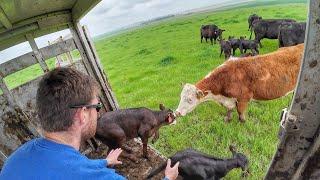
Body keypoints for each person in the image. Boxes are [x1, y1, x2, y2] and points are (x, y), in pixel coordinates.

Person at [0, 67, 179, 180]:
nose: (99, 112)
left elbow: (73, 166)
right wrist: (168, 178)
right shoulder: (100, 177)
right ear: (82, 114)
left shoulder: (15, 160)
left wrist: (103, 162)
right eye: (97, 107)